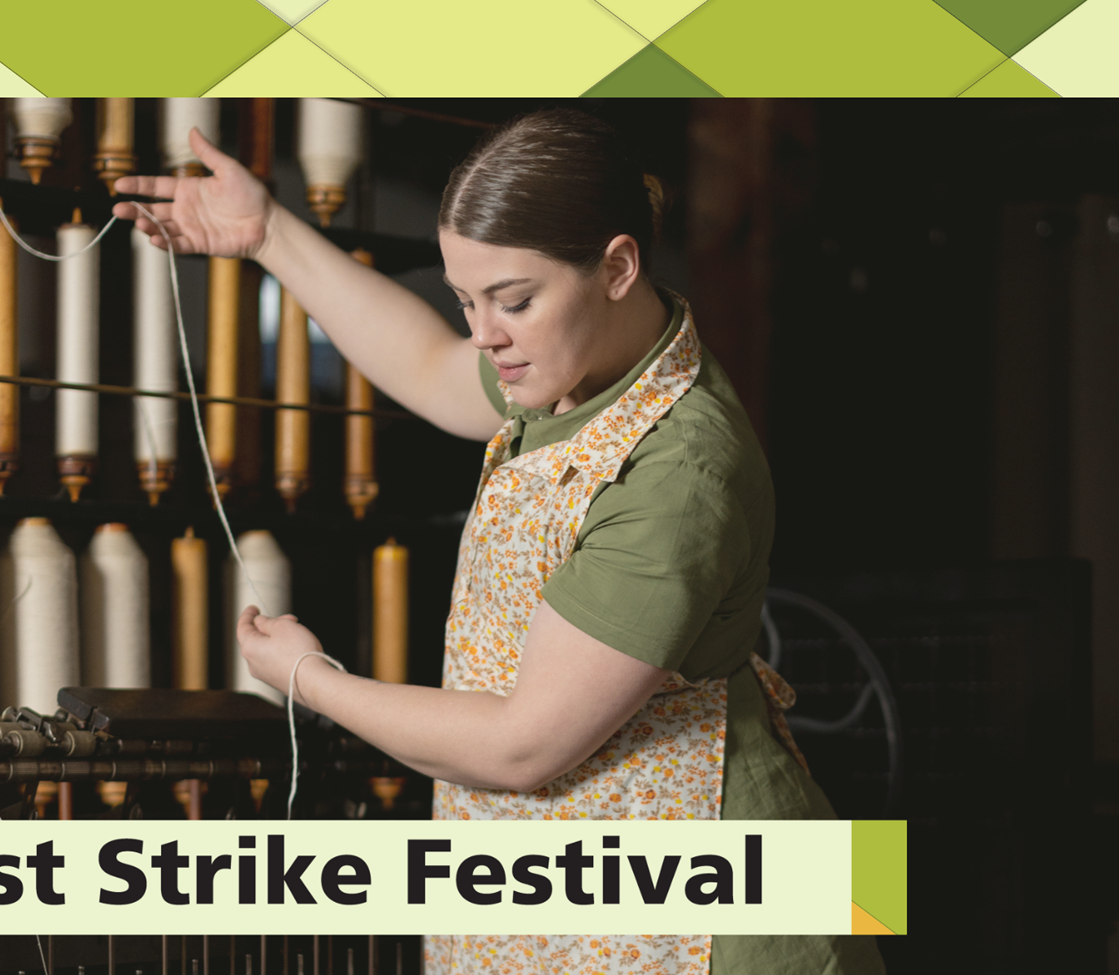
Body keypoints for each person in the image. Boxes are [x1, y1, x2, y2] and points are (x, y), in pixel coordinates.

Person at [115, 107, 886, 975]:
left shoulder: (677, 473)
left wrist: (307, 679)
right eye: (467, 299)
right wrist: (269, 233)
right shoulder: (576, 365)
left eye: (513, 300)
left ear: (618, 266)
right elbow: (433, 370)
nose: (485, 333)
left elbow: (523, 744)